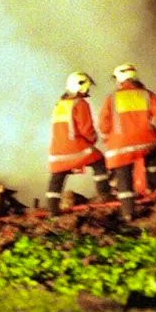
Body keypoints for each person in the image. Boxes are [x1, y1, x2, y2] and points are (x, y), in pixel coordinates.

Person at [97, 63, 156, 222]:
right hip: (146, 143)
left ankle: (128, 213)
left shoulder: (112, 98)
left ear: (119, 80)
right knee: (152, 164)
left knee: (123, 177)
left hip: (120, 146)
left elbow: (103, 124)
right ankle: (155, 198)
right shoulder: (147, 95)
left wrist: (107, 139)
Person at [46, 72, 111, 216]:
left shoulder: (59, 104)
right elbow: (86, 129)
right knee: (99, 161)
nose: (88, 90)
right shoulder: (80, 104)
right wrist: (93, 139)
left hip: (56, 151)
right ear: (82, 86)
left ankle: (52, 209)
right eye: (87, 87)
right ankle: (105, 196)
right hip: (75, 148)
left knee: (57, 177)